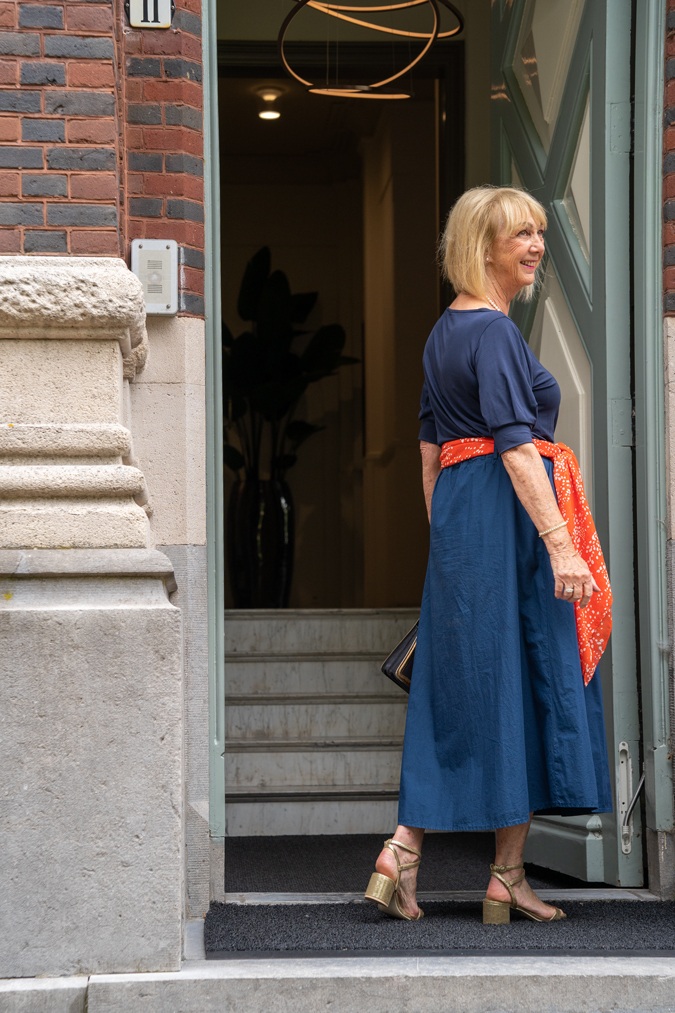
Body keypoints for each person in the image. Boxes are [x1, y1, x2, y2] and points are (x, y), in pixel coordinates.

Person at [365, 186, 613, 925]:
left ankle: (439, 860)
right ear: (483, 247)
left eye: (538, 232)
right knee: (525, 680)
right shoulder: (495, 334)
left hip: (467, 521)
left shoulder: (444, 331)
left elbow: (430, 453)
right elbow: (515, 447)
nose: (536, 245)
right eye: (519, 235)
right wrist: (562, 545)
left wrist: (448, 542)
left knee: (475, 687)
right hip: (510, 522)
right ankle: (486, 872)